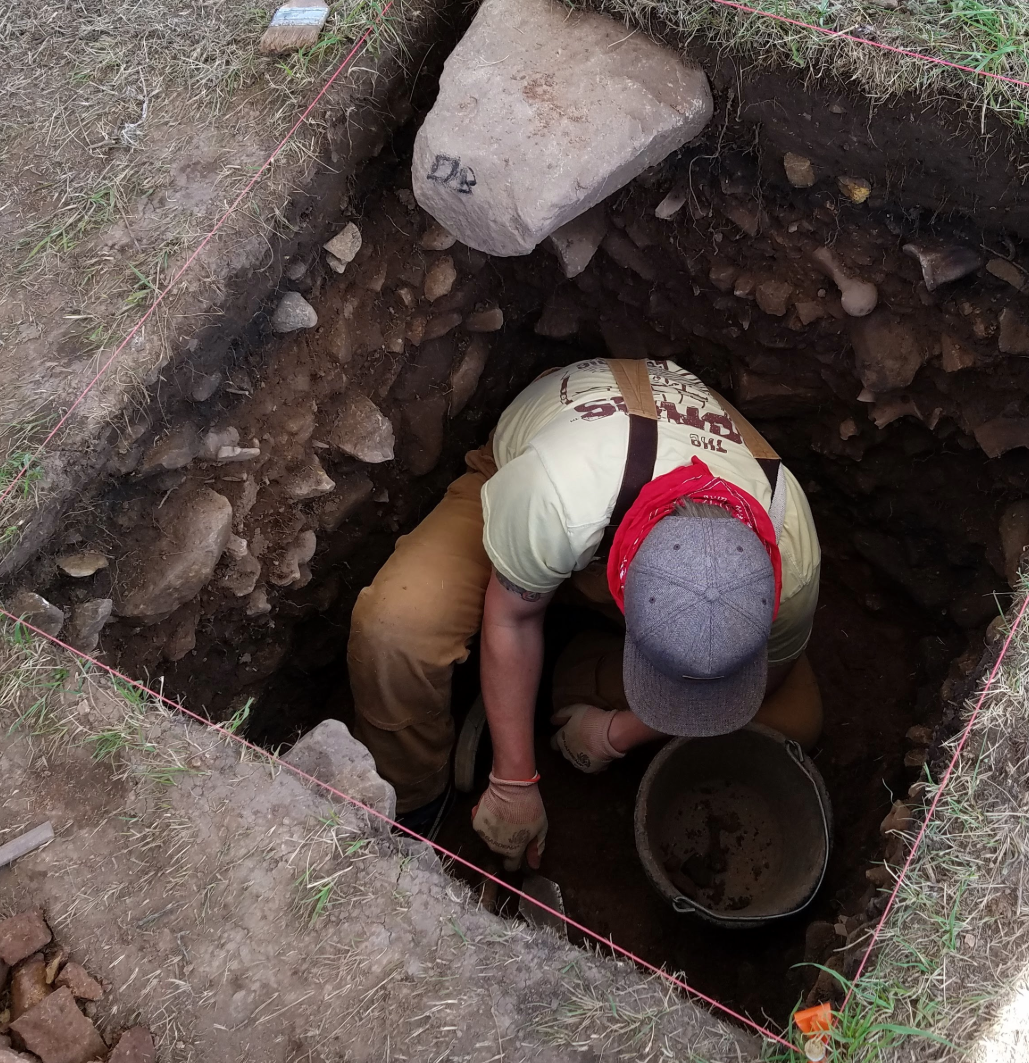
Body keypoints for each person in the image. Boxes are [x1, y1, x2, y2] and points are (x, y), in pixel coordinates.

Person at [346, 357, 823, 868]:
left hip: (602, 510)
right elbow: (513, 617)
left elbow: (768, 678)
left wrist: (616, 733)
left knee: (796, 720)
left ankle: (576, 676)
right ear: (621, 579)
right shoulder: (557, 494)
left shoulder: (793, 557)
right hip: (538, 480)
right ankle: (414, 802)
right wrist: (513, 782)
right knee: (397, 631)